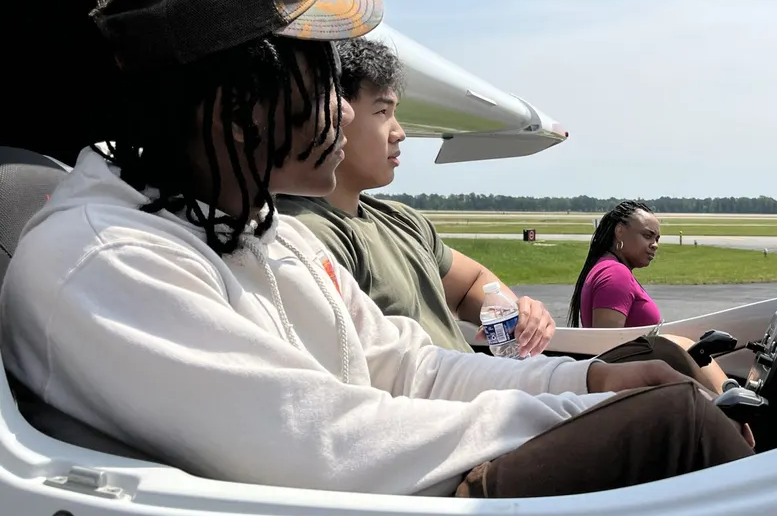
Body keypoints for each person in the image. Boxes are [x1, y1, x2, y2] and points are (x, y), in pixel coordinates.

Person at [0, 0, 753, 499]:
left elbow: (411, 367)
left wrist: (586, 383)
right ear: (237, 107)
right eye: (320, 80)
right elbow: (320, 446)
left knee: (653, 381)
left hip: (379, 499)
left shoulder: (258, 233)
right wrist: (583, 413)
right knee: (677, 428)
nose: (341, 109)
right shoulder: (103, 262)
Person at [278, 37, 733, 399]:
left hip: (492, 380)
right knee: (675, 403)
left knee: (673, 350)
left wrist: (513, 321)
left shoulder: (400, 221)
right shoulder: (311, 235)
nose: (399, 132)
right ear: (328, 114)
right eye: (383, 113)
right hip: (469, 405)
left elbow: (471, 285)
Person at [571, 201, 665, 329]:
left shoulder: (604, 267)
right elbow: (608, 344)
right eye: (647, 235)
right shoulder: (616, 274)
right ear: (620, 232)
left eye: (657, 239)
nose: (655, 245)